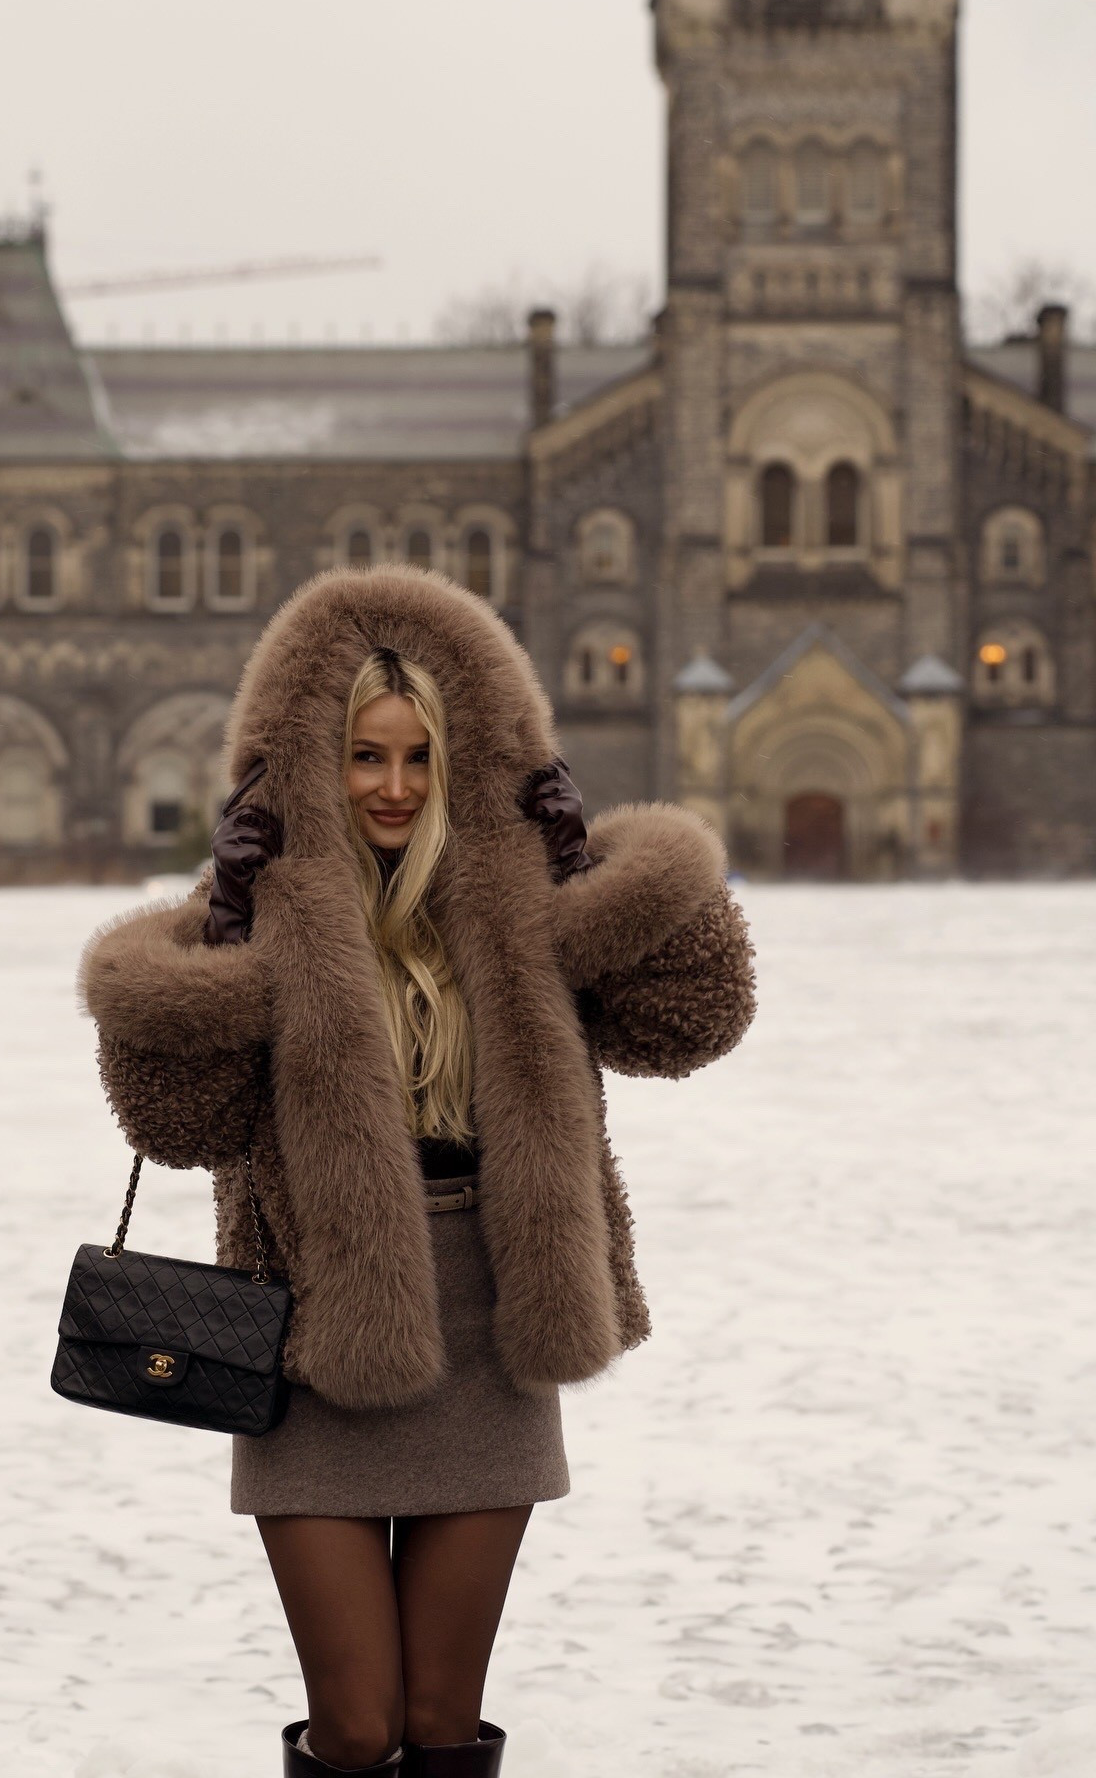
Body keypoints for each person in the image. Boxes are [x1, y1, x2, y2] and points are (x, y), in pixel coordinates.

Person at [79, 566, 755, 1775]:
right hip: (314, 1335)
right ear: (306, 762)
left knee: (442, 1722)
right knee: (354, 1725)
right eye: (362, 756)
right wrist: (222, 936)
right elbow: (181, 1123)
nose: (392, 786)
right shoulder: (259, 908)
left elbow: (694, 1021)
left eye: (418, 758)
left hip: (495, 1323)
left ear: (457, 763)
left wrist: (595, 869)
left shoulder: (519, 902)